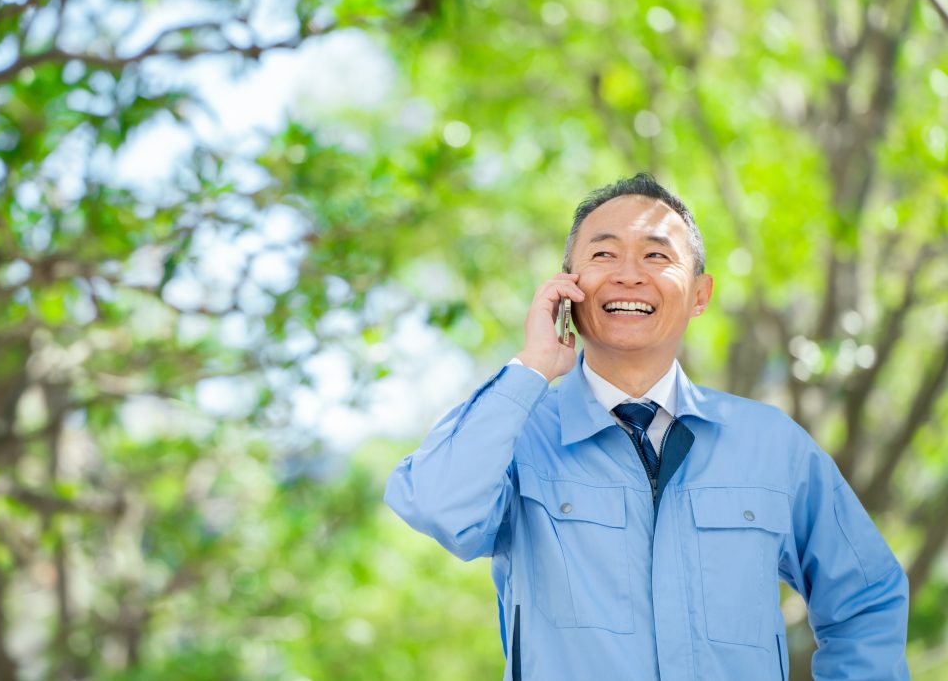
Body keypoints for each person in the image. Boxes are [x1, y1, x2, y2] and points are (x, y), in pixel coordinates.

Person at [384, 173, 910, 681]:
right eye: (603, 254)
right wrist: (530, 368)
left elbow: (866, 599)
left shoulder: (771, 445)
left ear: (700, 294)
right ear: (567, 288)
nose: (629, 274)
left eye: (657, 255)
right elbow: (437, 505)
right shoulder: (516, 436)